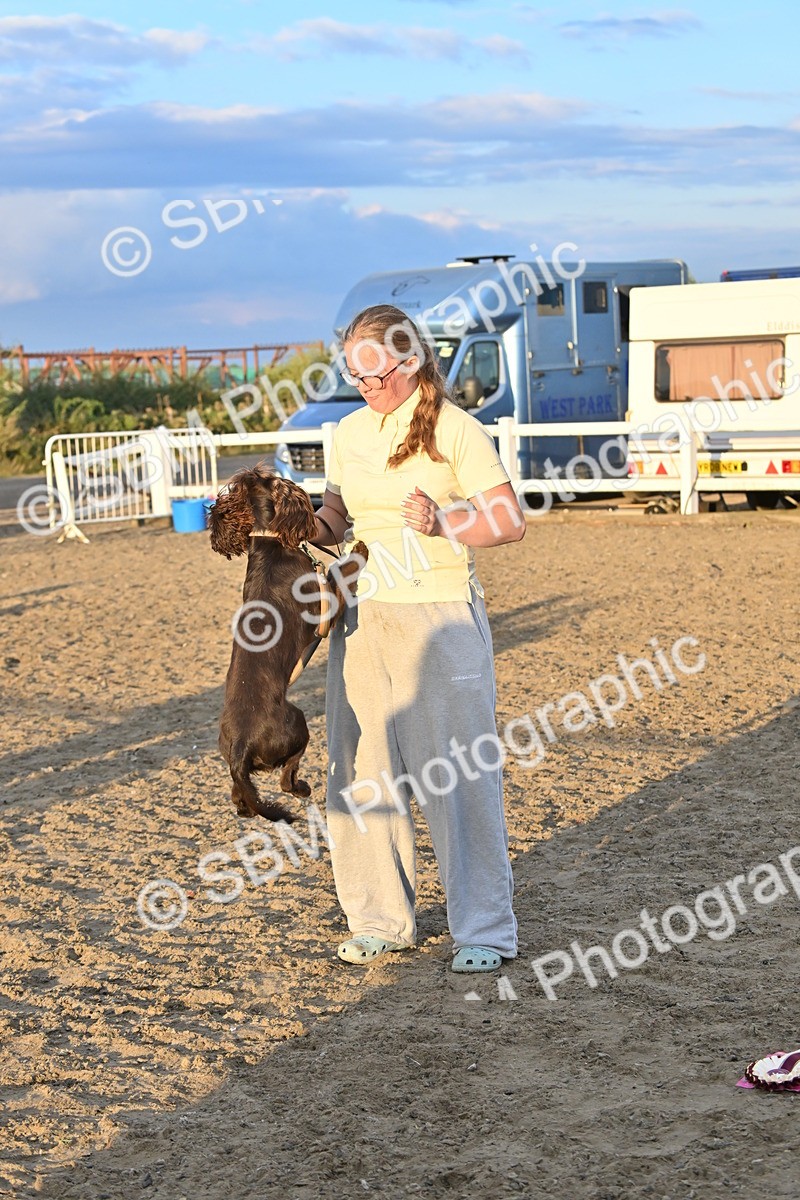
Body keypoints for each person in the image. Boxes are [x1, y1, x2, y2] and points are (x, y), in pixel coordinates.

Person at [313, 304, 525, 973]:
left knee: (460, 778)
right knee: (360, 776)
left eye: (374, 372)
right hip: (360, 618)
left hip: (439, 619)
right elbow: (336, 517)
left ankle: (485, 929)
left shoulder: (455, 429)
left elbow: (508, 520)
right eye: (354, 372)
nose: (365, 384)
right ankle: (379, 919)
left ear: (410, 361)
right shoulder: (346, 432)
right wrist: (294, 519)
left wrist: (445, 520)